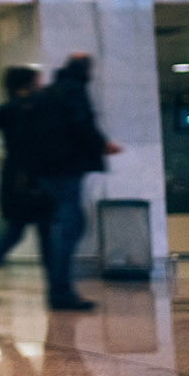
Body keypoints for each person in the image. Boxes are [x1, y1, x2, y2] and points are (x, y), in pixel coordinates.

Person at [31, 53, 122, 311]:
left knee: (62, 226)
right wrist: (102, 145)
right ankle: (60, 291)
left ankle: (58, 288)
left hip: (47, 169)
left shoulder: (49, 93)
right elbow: (81, 122)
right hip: (66, 167)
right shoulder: (74, 89)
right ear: (86, 69)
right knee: (71, 225)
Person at [0, 66, 51, 305]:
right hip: (30, 178)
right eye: (36, 81)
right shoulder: (29, 108)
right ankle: (55, 287)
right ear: (25, 85)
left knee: (15, 232)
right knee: (44, 232)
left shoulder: (10, 109)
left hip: (13, 178)